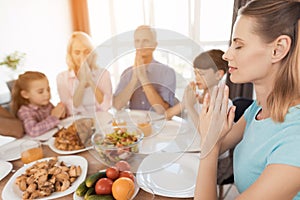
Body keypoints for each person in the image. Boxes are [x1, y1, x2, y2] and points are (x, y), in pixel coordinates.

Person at [194, 0, 300, 199]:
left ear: (278, 49)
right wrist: (212, 128)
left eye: (239, 45)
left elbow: (211, 147)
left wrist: (209, 145)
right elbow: (221, 143)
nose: (226, 55)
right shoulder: (258, 108)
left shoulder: (295, 140)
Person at [113, 25, 176, 114]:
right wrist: (134, 78)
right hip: (134, 125)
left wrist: (143, 78)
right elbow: (117, 105)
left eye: (145, 41)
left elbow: (163, 111)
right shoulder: (127, 73)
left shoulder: (167, 73)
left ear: (154, 45)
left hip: (159, 125)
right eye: (137, 41)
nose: (141, 45)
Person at [165, 49, 232, 125]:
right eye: (195, 73)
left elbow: (207, 134)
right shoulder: (195, 97)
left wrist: (190, 106)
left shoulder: (223, 105)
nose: (197, 78)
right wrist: (185, 102)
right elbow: (167, 115)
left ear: (218, 75)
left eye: (201, 74)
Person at [57, 31, 112, 116]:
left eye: (87, 52)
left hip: (101, 119)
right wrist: (82, 83)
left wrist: (90, 81)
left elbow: (106, 106)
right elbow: (71, 110)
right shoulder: (62, 78)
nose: (83, 57)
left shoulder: (104, 74)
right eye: (77, 52)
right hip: (77, 122)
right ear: (70, 55)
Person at [11, 71, 66, 137]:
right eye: (40, 92)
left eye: (48, 89)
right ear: (25, 94)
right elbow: (33, 131)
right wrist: (54, 117)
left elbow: (55, 122)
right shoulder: (24, 111)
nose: (47, 94)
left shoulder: (47, 104)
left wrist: (61, 114)